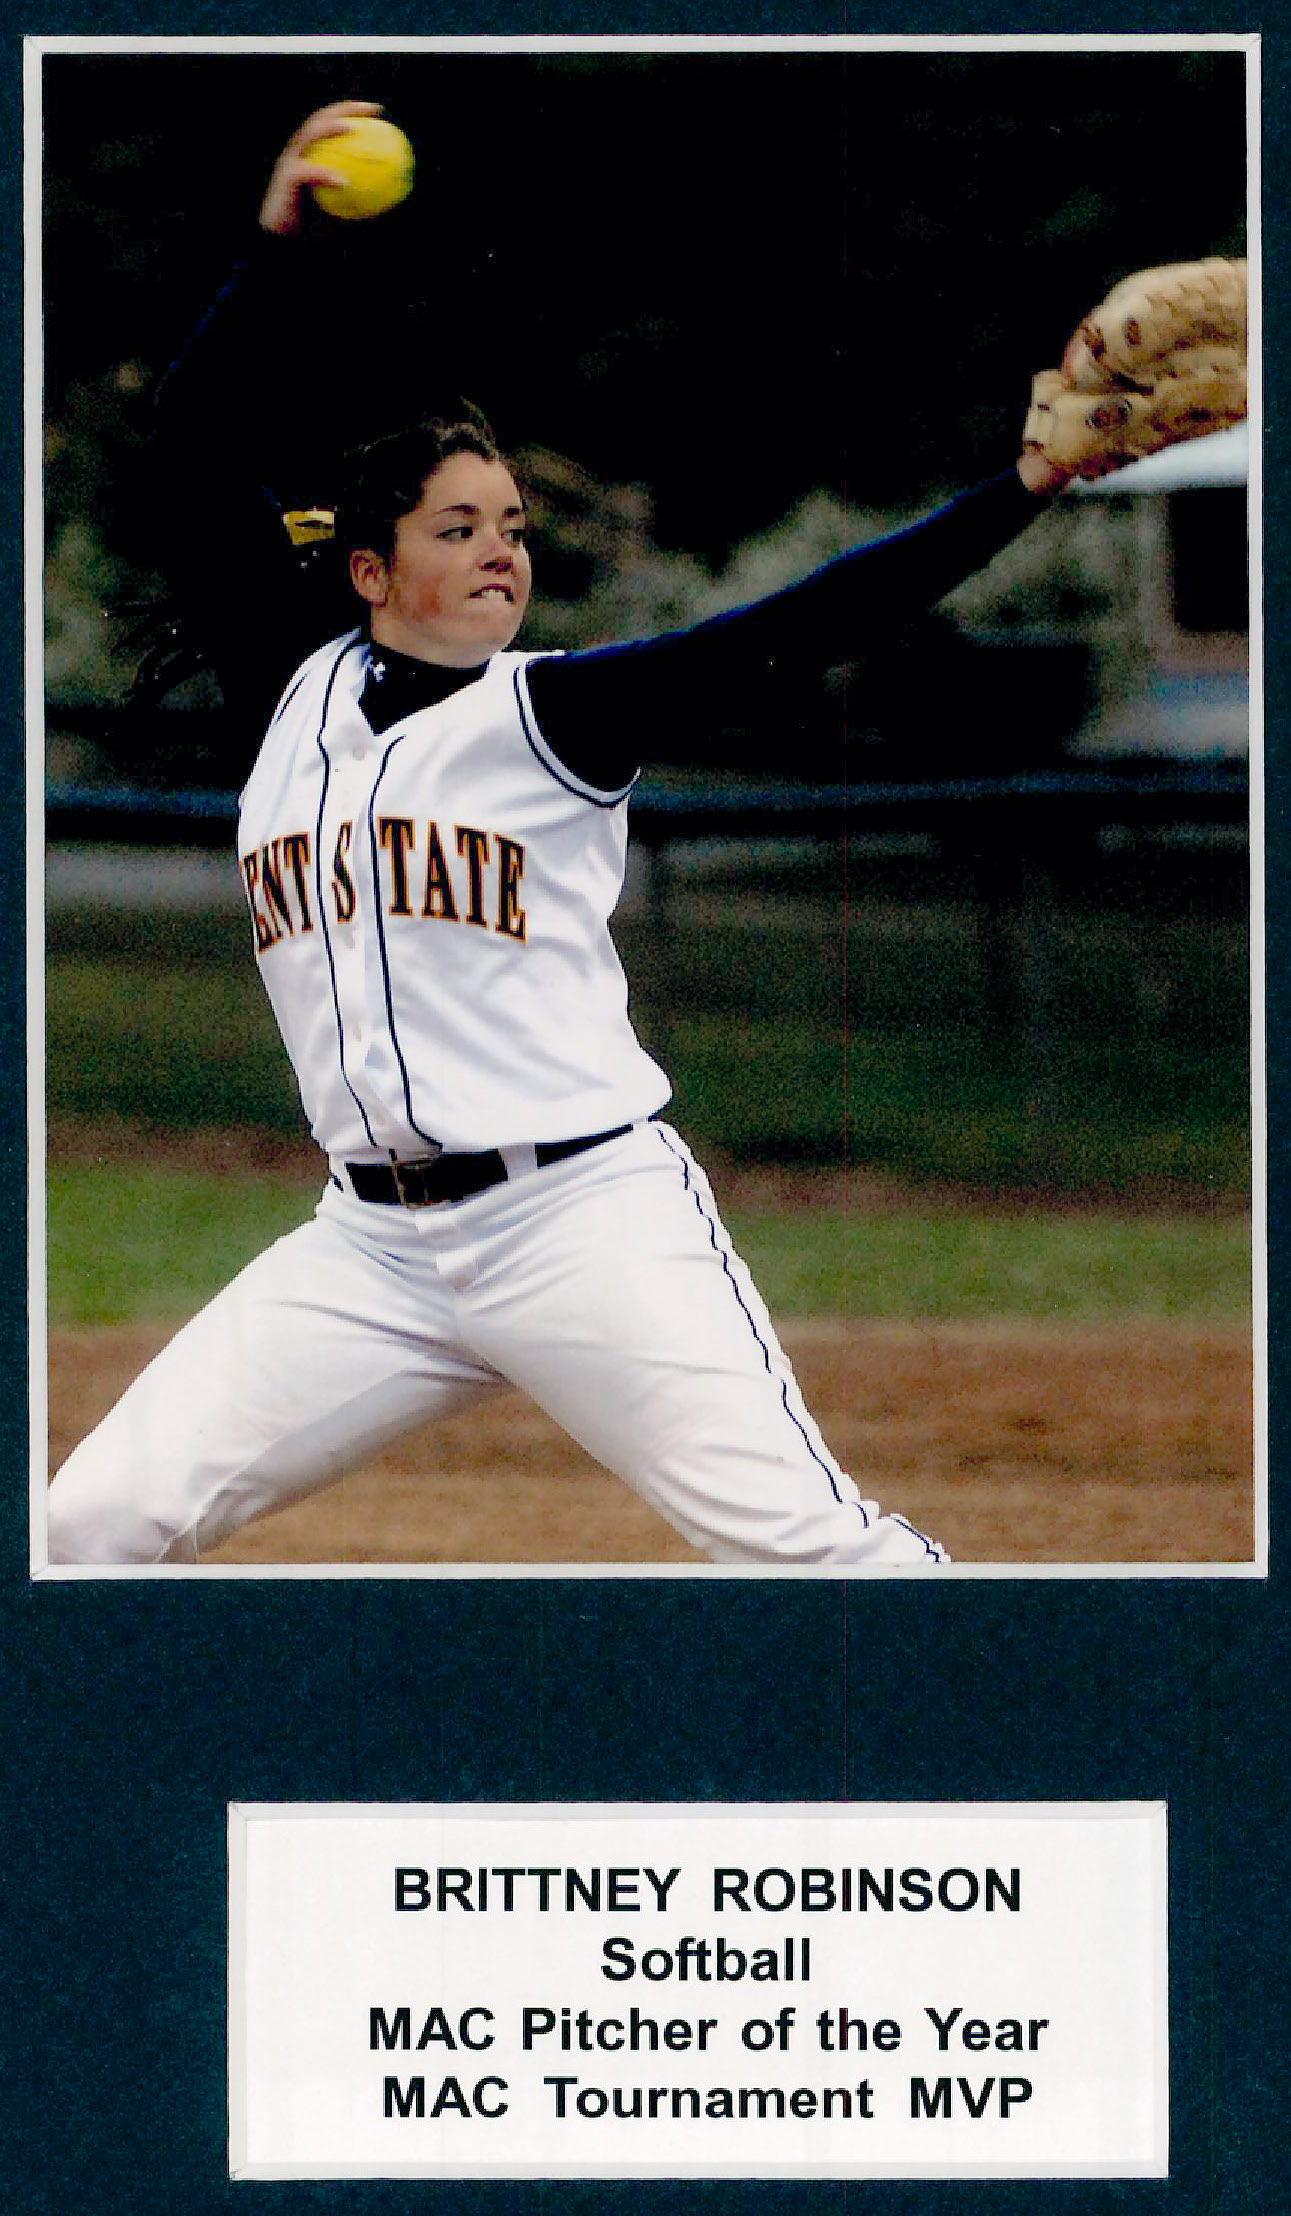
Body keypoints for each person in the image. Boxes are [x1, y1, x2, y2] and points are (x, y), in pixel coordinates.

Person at [47, 101, 1073, 1569]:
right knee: (90, 1520)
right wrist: (276, 252)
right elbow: (192, 436)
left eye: (514, 527)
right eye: (459, 526)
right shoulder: (296, 687)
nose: (501, 552)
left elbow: (804, 623)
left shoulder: (556, 714)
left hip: (580, 1218)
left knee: (816, 1555)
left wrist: (1023, 492)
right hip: (371, 1249)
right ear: (367, 567)